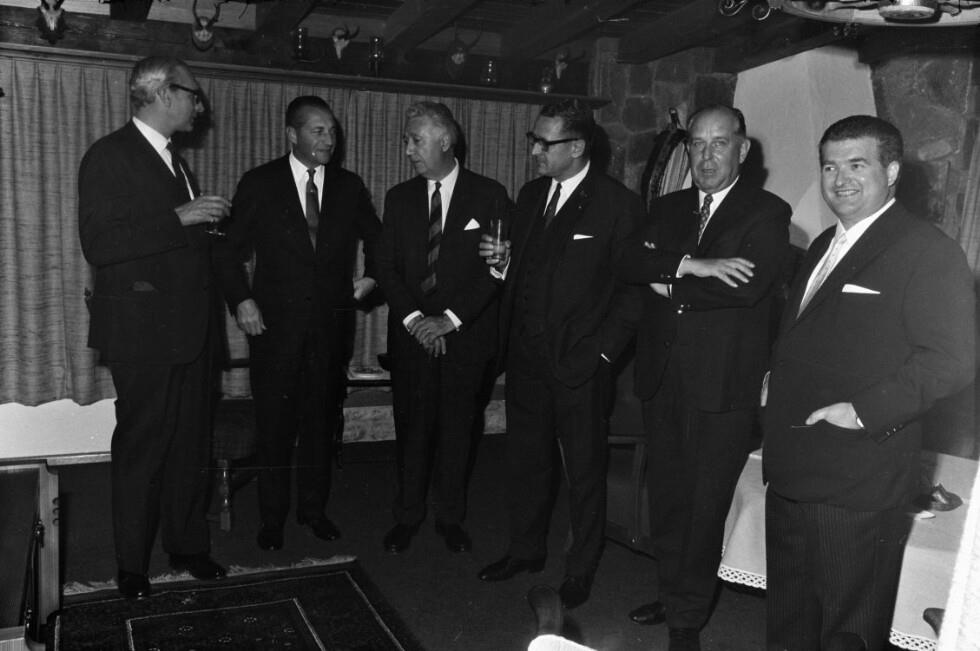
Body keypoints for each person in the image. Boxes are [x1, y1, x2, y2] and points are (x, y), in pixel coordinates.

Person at [475, 99, 750, 610]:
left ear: (577, 147)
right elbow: (531, 273)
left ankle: (580, 569)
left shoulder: (617, 205)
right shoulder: (531, 195)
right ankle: (525, 550)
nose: (535, 151)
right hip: (527, 358)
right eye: (534, 141)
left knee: (584, 473)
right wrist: (502, 266)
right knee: (525, 462)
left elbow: (633, 291)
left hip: (582, 364)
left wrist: (602, 356)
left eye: (545, 143)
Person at [763, 115, 976, 651]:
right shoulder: (822, 245)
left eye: (857, 165)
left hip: (859, 478)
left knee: (848, 634)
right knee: (788, 625)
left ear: (893, 171)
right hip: (793, 471)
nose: (840, 179)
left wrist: (860, 412)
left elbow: (952, 360)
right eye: (829, 167)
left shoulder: (928, 251)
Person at [621, 105, 791, 650]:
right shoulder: (666, 207)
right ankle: (673, 595)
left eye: (719, 143)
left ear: (742, 149)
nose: (707, 156)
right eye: (697, 144)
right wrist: (692, 265)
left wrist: (666, 278)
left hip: (721, 386)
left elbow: (746, 286)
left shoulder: (767, 211)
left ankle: (687, 620)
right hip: (664, 377)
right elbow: (626, 262)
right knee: (668, 499)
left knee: (704, 506)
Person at [78, 56, 231, 598]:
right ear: (164, 93)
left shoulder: (175, 162)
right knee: (143, 449)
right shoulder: (109, 156)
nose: (200, 105)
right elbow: (99, 244)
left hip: (190, 331)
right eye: (193, 93)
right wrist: (180, 218)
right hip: (142, 334)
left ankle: (188, 547)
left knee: (190, 446)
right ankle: (132, 566)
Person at [213, 96, 382, 552]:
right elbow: (226, 251)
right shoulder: (260, 182)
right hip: (274, 332)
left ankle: (313, 511)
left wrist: (370, 278)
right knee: (274, 428)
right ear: (292, 134)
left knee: (320, 425)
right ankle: (272, 518)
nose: (329, 139)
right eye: (318, 131)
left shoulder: (348, 186)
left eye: (332, 131)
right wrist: (242, 299)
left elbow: (378, 239)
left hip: (330, 330)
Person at [375, 101, 508, 554]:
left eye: (415, 140)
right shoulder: (398, 198)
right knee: (411, 430)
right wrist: (417, 322)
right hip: (412, 336)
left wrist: (447, 321)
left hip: (465, 338)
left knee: (457, 432)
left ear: (445, 141)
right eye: (407, 141)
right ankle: (407, 516)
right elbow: (385, 267)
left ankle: (450, 517)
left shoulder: (489, 195)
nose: (408, 150)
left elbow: (496, 269)